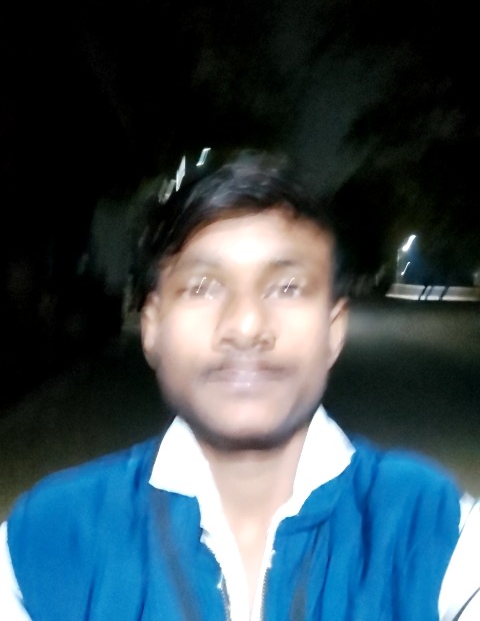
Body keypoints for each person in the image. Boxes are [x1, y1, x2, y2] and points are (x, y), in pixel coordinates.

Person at [1, 150, 479, 620]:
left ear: (333, 330)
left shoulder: (430, 528)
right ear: (152, 327)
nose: (247, 325)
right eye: (202, 287)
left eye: (287, 287)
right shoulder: (50, 539)